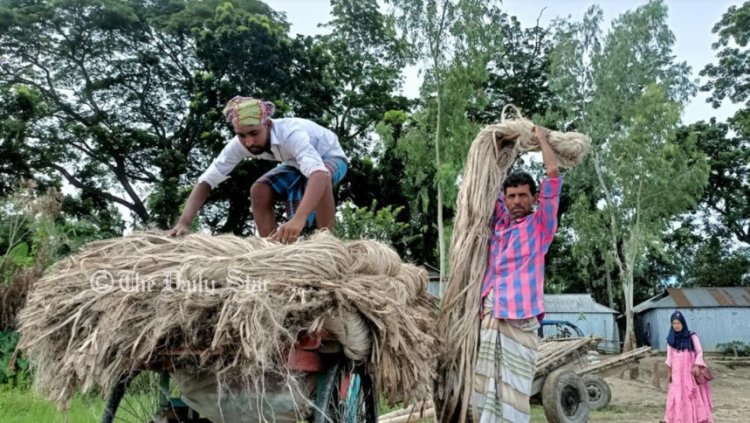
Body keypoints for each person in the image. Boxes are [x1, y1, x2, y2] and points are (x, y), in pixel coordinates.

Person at [471, 126, 561, 423]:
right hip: (491, 311)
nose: (516, 202)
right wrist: (504, 142)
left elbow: (552, 175)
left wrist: (543, 139)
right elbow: (492, 177)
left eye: (523, 196)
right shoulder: (500, 223)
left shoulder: (540, 226)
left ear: (534, 199)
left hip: (521, 316)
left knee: (515, 386)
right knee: (487, 382)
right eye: (511, 196)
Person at [167, 96, 348, 243]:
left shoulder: (291, 133)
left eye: (254, 133)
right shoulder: (240, 144)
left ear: (268, 125)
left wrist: (298, 220)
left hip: (329, 157)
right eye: (241, 135)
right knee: (259, 189)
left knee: (323, 176)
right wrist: (184, 222)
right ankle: (272, 247)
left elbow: (318, 174)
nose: (249, 142)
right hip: (295, 163)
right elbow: (207, 179)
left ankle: (326, 242)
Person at [664, 311, 714, 423]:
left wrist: (697, 364)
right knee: (677, 397)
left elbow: (700, 351)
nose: (676, 325)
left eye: (678, 323)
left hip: (690, 374)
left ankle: (695, 419)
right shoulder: (670, 340)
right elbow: (669, 359)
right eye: (674, 323)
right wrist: (669, 373)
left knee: (691, 396)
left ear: (683, 323)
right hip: (677, 375)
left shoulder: (691, 336)